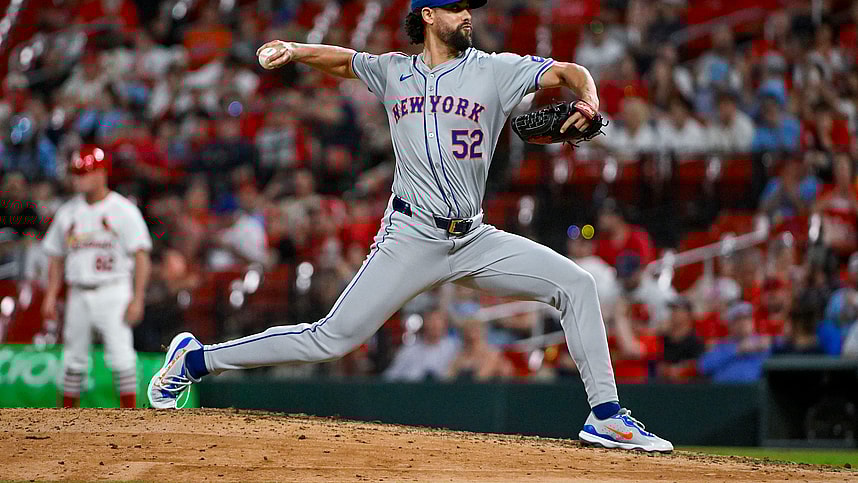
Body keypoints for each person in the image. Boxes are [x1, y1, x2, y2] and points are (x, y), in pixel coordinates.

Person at [148, 0, 673, 453]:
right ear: (428, 16)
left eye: (469, 8)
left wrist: (590, 99)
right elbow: (348, 62)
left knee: (576, 284)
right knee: (331, 339)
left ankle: (606, 417)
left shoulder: (495, 69)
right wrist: (296, 48)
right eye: (456, 8)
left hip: (473, 237)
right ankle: (196, 359)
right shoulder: (394, 70)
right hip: (411, 236)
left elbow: (567, 71)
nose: (468, 16)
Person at [41, 145, 152, 408]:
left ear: (102, 173)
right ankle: (65, 420)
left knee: (121, 356)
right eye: (76, 172)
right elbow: (56, 256)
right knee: (72, 359)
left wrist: (137, 298)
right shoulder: (67, 212)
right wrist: (50, 295)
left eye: (85, 171)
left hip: (114, 289)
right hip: (78, 291)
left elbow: (141, 256)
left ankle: (131, 416)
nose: (78, 178)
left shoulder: (123, 210)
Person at [699, 302, 771, 383]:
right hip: (723, 391)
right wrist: (737, 350)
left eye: (747, 318)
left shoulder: (762, 342)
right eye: (738, 320)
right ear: (730, 325)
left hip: (753, 391)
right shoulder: (722, 345)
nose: (743, 323)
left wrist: (769, 343)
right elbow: (704, 366)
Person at [383, 309, 459, 382]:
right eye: (431, 321)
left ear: (445, 325)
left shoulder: (453, 349)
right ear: (425, 324)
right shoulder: (409, 350)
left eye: (439, 322)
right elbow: (391, 375)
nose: (435, 325)